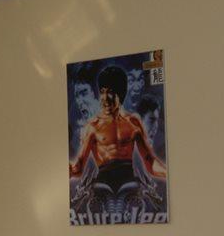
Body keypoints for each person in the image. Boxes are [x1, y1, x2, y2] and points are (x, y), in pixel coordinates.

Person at [69, 65, 166, 197]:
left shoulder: (133, 122)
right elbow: (78, 168)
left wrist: (169, 173)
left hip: (129, 186)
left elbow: (150, 163)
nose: (105, 98)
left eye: (110, 92)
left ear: (120, 94)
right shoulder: (92, 126)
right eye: (102, 91)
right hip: (104, 186)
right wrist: (68, 170)